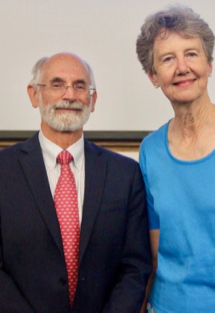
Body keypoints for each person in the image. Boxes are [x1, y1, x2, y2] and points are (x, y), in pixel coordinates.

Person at [0, 52, 152, 313]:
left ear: (92, 100)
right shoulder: (4, 170)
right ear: (34, 94)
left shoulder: (125, 175)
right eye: (57, 84)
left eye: (80, 86)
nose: (69, 95)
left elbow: (135, 268)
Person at [136, 4, 215, 313]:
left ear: (209, 64)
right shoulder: (150, 150)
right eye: (168, 59)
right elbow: (155, 253)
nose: (182, 67)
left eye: (192, 54)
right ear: (153, 76)